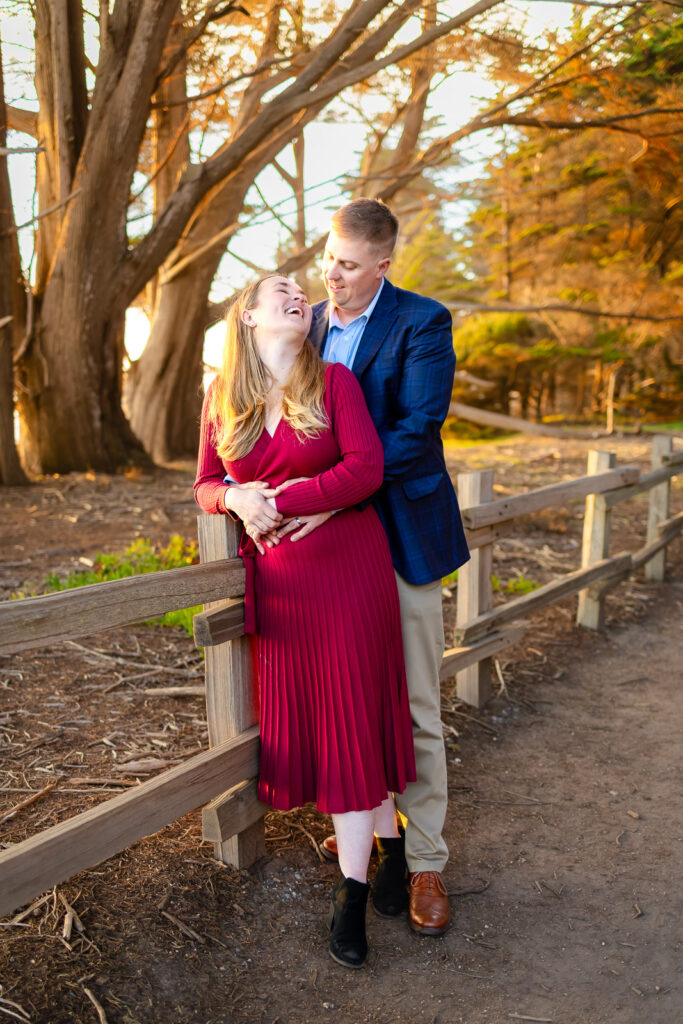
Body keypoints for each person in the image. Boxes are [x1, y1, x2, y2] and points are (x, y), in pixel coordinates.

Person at [194, 275, 416, 968]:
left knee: (349, 724)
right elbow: (203, 483)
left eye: (301, 290)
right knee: (334, 727)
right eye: (278, 289)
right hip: (282, 592)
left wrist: (287, 498)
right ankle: (396, 853)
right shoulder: (222, 396)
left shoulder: (336, 383)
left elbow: (365, 470)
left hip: (347, 572)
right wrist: (235, 499)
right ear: (249, 314)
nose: (297, 295)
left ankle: (350, 897)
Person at [273, 199, 470, 936]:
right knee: (352, 696)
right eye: (329, 258)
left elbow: (417, 431)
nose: (334, 274)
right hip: (327, 553)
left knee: (416, 702)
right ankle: (371, 828)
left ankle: (424, 860)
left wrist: (331, 493)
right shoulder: (310, 325)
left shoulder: (422, 321)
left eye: (350, 265)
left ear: (383, 265)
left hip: (400, 536)